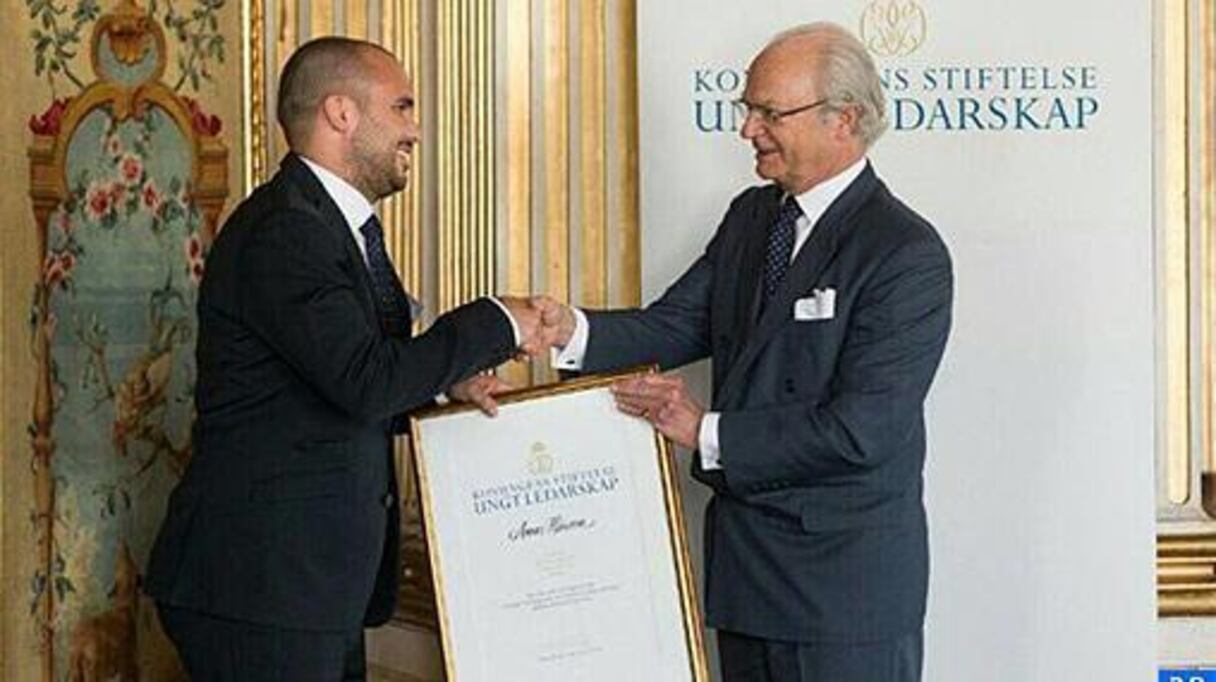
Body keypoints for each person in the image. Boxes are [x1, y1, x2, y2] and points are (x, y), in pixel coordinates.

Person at [539, 22, 952, 682]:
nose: (747, 129)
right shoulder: (751, 219)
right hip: (746, 581)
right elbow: (673, 325)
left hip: (842, 596)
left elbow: (862, 430)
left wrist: (702, 430)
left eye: (769, 112)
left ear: (843, 119)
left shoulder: (903, 253)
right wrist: (566, 329)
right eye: (747, 108)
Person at [145, 37, 545, 681]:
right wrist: (498, 318)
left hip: (306, 590)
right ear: (341, 113)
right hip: (260, 589)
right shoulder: (286, 231)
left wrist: (443, 389)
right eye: (402, 106)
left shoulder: (322, 224)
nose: (415, 129)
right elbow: (366, 381)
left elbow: (331, 380)